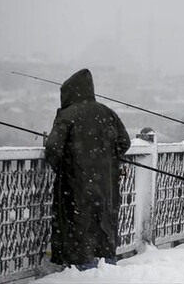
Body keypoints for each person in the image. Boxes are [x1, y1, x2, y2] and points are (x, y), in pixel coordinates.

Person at [45, 68, 131, 271]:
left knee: (79, 228)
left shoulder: (67, 115)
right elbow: (124, 142)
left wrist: (66, 168)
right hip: (106, 186)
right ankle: (106, 266)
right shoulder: (107, 113)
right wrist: (106, 160)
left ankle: (83, 270)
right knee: (104, 228)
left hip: (76, 187)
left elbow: (53, 149)